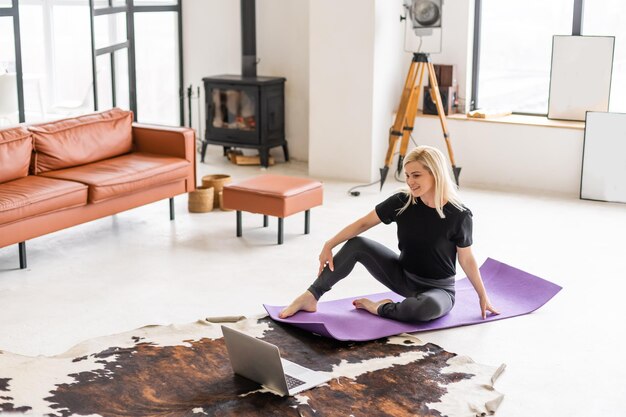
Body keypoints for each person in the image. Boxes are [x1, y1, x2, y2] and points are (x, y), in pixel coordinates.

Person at [279, 145, 499, 323]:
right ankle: (311, 296)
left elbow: (466, 258)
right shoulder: (402, 202)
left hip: (438, 290)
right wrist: (329, 244)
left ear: (436, 174)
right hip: (402, 277)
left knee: (423, 309)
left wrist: (482, 295)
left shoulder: (459, 215)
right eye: (407, 176)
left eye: (416, 175)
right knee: (357, 244)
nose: (410, 181)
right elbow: (364, 223)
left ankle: (379, 307)